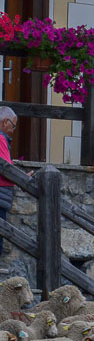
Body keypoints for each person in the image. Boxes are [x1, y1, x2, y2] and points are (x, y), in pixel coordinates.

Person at [0, 107, 16, 254]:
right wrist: (23, 178)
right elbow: (6, 169)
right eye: (13, 125)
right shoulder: (0, 139)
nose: (13, 130)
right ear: (5, 122)